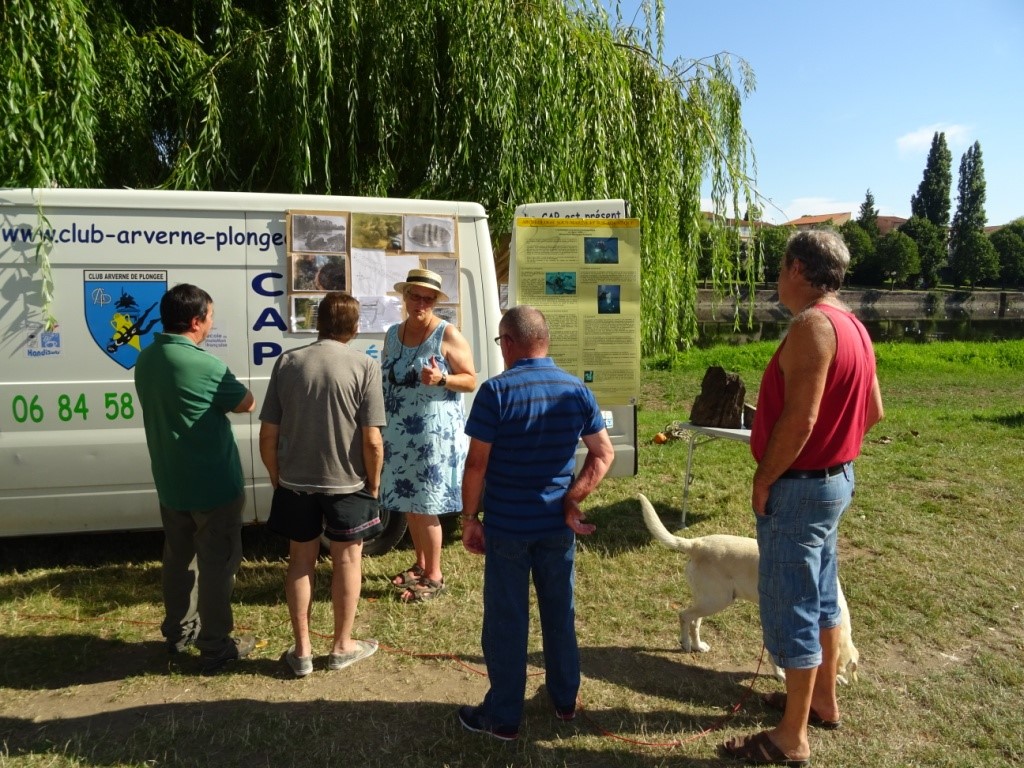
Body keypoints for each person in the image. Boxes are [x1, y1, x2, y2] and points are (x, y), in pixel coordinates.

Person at [722, 230, 884, 766]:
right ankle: (822, 702)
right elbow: (874, 411)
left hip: (801, 486)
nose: (776, 277)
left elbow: (802, 417)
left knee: (792, 603)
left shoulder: (814, 325)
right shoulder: (854, 326)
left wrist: (766, 477)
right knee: (820, 597)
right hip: (834, 481)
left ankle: (791, 736)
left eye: (779, 267)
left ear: (795, 267)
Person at [457, 305, 614, 741]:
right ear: (544, 340)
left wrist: (470, 518)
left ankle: (503, 716)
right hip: (556, 529)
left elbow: (476, 464)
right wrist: (572, 498)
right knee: (559, 613)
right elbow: (603, 454)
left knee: (507, 620)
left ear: (508, 342)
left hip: (508, 526)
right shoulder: (575, 389)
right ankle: (565, 700)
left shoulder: (496, 391)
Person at [258, 292, 384, 677]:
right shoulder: (365, 365)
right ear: (355, 327)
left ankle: (302, 650)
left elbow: (267, 434)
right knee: (348, 559)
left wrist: (276, 476)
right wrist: (374, 486)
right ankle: (343, 645)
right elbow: (373, 440)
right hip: (347, 483)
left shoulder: (288, 361)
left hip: (295, 482)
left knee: (300, 561)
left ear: (318, 323)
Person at [134, 283, 257, 675]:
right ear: (195, 321)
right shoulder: (204, 364)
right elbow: (246, 402)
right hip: (214, 484)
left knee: (178, 559)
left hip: (171, 481)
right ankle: (216, 646)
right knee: (217, 565)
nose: (210, 325)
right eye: (210, 317)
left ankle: (178, 631)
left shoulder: (147, 358)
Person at [381, 268, 476, 602]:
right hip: (399, 433)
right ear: (404, 296)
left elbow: (471, 379)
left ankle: (435, 575)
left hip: (432, 436)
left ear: (435, 301)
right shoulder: (392, 334)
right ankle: (420, 565)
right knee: (409, 503)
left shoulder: (447, 334)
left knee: (425, 505)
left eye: (428, 298)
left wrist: (442, 380)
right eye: (414, 295)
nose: (420, 302)